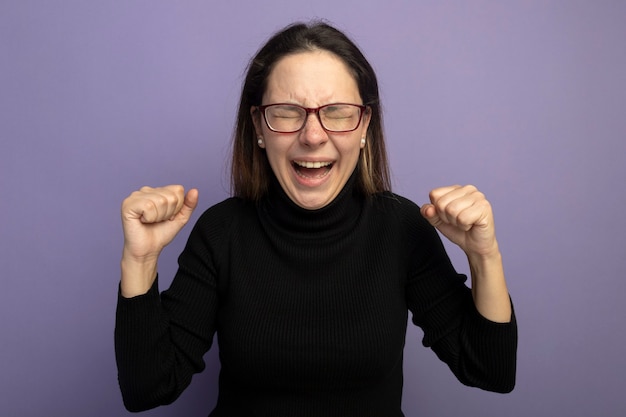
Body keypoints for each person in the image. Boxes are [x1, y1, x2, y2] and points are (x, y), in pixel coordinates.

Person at [115, 21, 517, 417]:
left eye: (337, 112)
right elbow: (148, 389)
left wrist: (485, 256)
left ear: (364, 127)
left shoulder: (401, 228)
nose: (312, 135)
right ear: (258, 126)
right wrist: (140, 261)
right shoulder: (221, 233)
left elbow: (488, 370)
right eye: (288, 112)